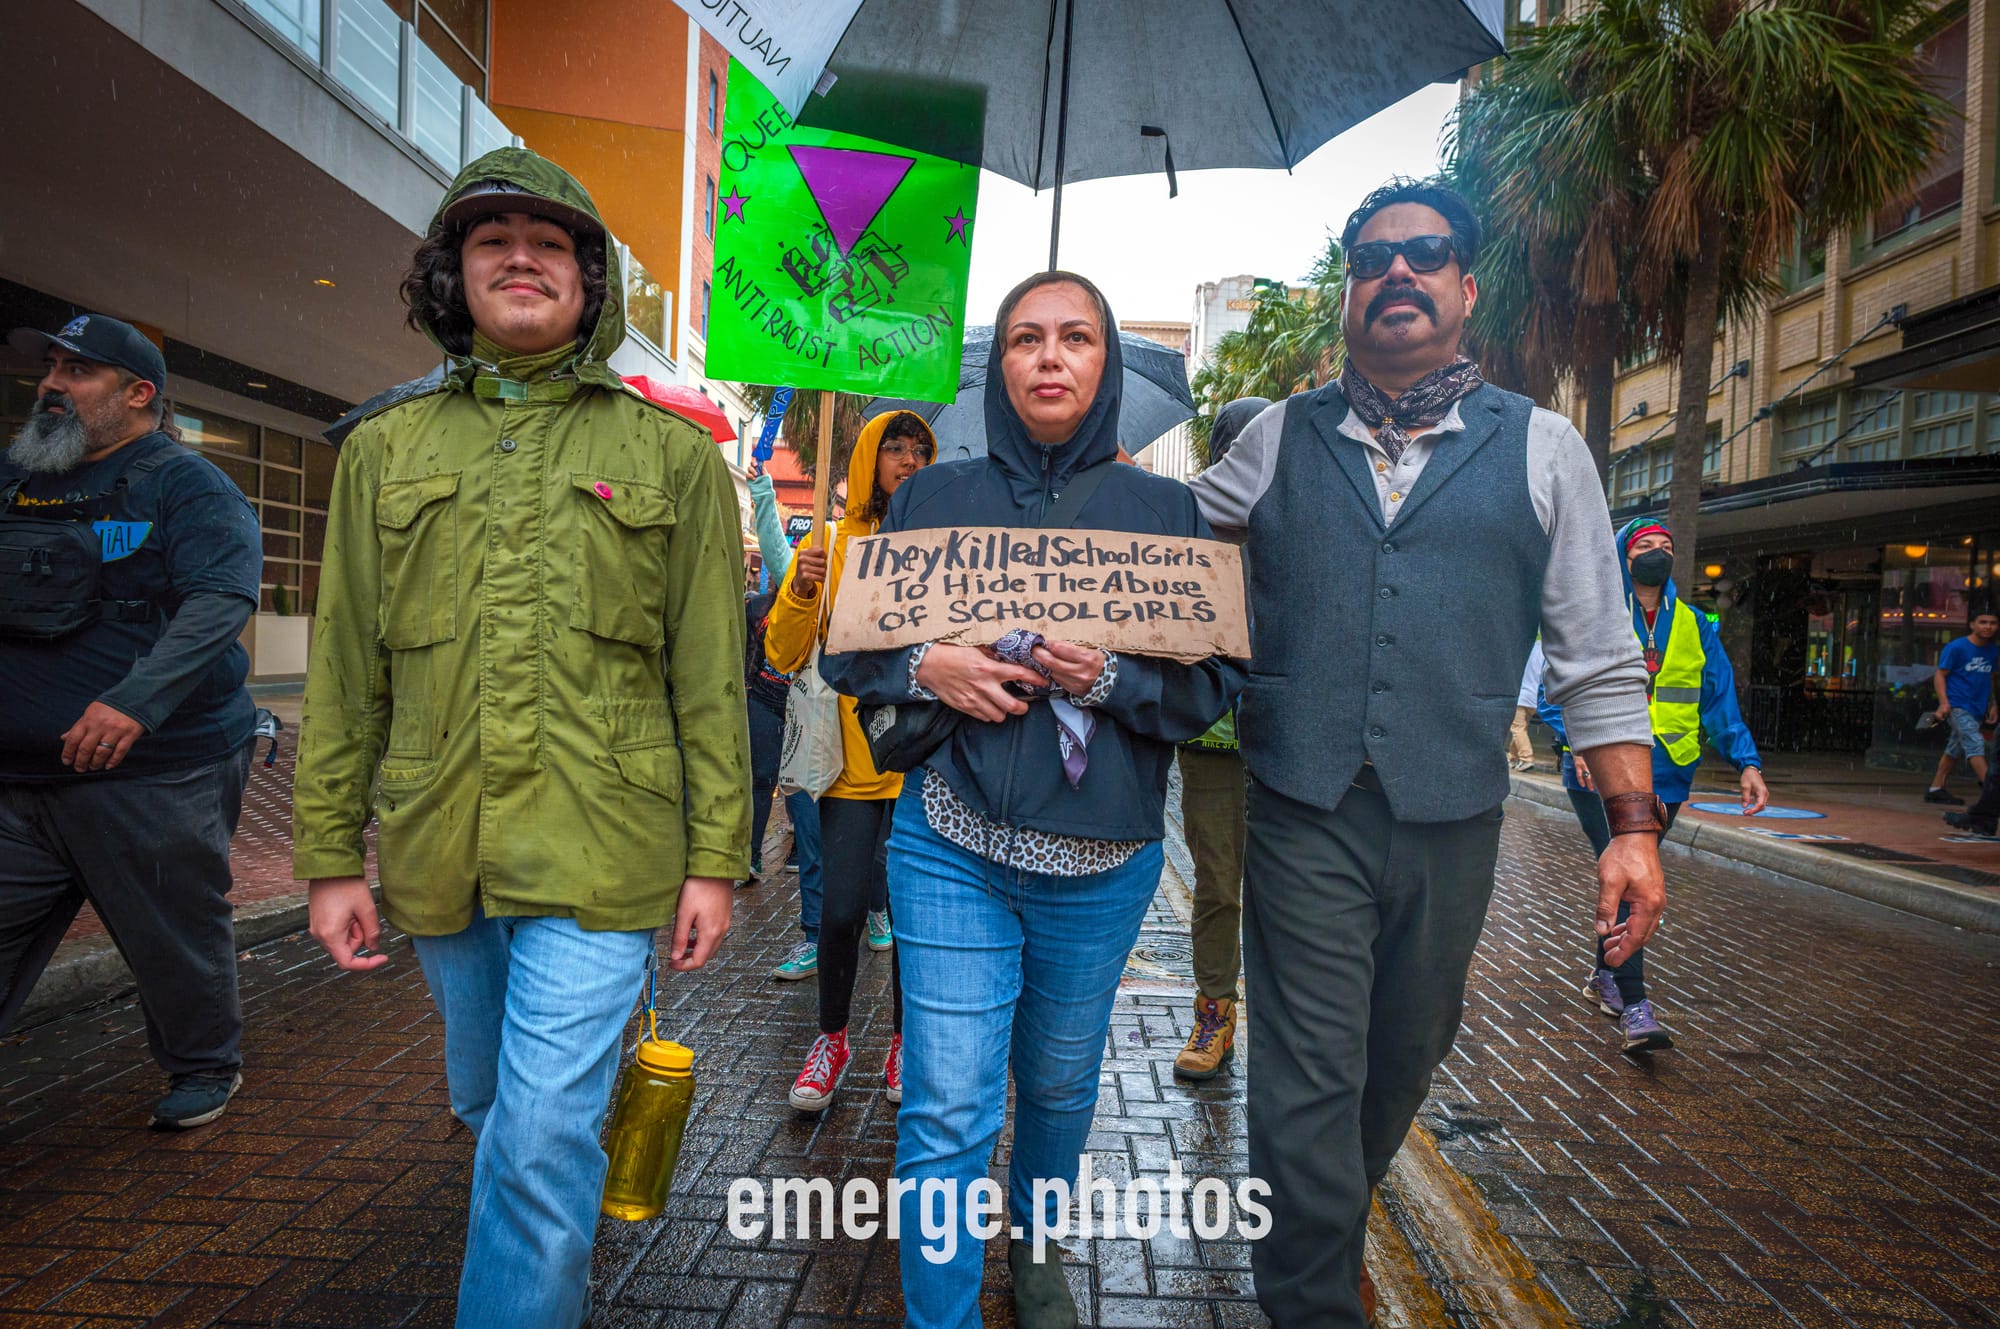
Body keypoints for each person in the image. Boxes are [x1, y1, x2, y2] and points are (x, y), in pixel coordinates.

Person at [1188, 179, 1660, 1329]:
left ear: (1463, 286)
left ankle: (1326, 1219)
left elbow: (1596, 656)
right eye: (1371, 258)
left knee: (1404, 1052)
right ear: (1350, 294)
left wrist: (1631, 831)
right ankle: (1311, 1299)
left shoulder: (1543, 448)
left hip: (1453, 814)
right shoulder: (1274, 439)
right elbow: (1157, 558)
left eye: (1424, 252)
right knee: (1306, 1078)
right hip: (1300, 804)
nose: (1395, 271)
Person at [292, 147, 749, 1329]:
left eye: (550, 243)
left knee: (541, 1133)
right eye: (492, 240)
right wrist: (330, 856)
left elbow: (708, 674)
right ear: (454, 275)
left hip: (608, 846)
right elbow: (345, 669)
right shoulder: (385, 450)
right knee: (493, 1109)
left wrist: (714, 858)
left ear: (591, 283)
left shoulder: (670, 455)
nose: (521, 259)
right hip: (441, 844)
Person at [822, 271, 1243, 1329]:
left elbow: (1208, 689)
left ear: (1105, 363)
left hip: (1101, 868)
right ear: (1000, 366)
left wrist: (1109, 678)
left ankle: (1038, 1241)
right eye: (1025, 338)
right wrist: (926, 666)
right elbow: (851, 653)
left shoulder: (1166, 512)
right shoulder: (930, 498)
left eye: (1075, 337)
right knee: (947, 1103)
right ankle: (942, 1314)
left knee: (1056, 1086)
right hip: (948, 843)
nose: (1049, 356)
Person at [0, 313, 261, 1130]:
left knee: (172, 933)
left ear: (139, 393)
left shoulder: (185, 484)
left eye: (77, 371)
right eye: (50, 367)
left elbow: (219, 601)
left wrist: (133, 703)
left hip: (154, 773)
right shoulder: (13, 478)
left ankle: (204, 1064)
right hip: (20, 775)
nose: (51, 384)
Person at [1539, 518, 1766, 1053]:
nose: (1657, 553)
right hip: (1600, 772)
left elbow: (1717, 697)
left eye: (1666, 546)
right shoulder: (1593, 612)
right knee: (1632, 877)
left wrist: (1747, 762)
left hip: (1669, 770)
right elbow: (1552, 690)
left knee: (1631, 877)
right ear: (1622, 556)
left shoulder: (1693, 622)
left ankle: (1605, 975)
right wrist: (1579, 744)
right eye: (1646, 546)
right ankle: (1636, 1004)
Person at [764, 410, 936, 1111]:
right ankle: (831, 1040)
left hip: (926, 764)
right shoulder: (830, 544)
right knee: (839, 912)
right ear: (869, 458)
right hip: (852, 767)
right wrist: (803, 588)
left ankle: (904, 1042)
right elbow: (782, 652)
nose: (908, 460)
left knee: (917, 921)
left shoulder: (943, 545)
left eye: (919, 450)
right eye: (894, 448)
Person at [1172, 395, 1267, 1083]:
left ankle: (1290, 1021)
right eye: (1236, 445)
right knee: (1217, 887)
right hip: (1213, 741)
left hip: (1291, 741)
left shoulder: (1299, 523)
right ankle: (1214, 1011)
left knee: (1293, 891)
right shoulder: (1192, 527)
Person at [747, 457, 830, 978]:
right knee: (811, 835)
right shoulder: (808, 568)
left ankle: (875, 910)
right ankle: (816, 936)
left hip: (865, 731)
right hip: (800, 718)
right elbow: (779, 553)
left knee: (872, 851)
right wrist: (761, 490)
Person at [1924, 609, 1998, 804]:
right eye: (1983, 622)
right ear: (1972, 624)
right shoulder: (1956, 647)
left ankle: (1936, 788)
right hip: (1957, 705)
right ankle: (1992, 792)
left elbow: (1991, 678)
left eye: (1992, 623)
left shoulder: (1993, 651)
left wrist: (1993, 704)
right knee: (1975, 743)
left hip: (1977, 707)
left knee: (1955, 748)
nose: (1988, 627)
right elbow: (1940, 675)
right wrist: (1944, 703)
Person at [1509, 639, 1545, 771]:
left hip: (1521, 696)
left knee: (1517, 728)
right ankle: (1512, 758)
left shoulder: (1523, 648)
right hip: (1537, 697)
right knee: (1520, 729)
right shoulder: (1545, 650)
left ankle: (1526, 759)